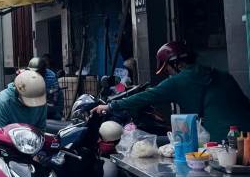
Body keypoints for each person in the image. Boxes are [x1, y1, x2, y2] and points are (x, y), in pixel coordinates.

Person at [94, 41, 250, 141]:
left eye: (167, 69)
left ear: (176, 64)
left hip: (222, 141)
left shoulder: (178, 81)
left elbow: (145, 97)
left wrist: (109, 106)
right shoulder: (222, 75)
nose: (168, 73)